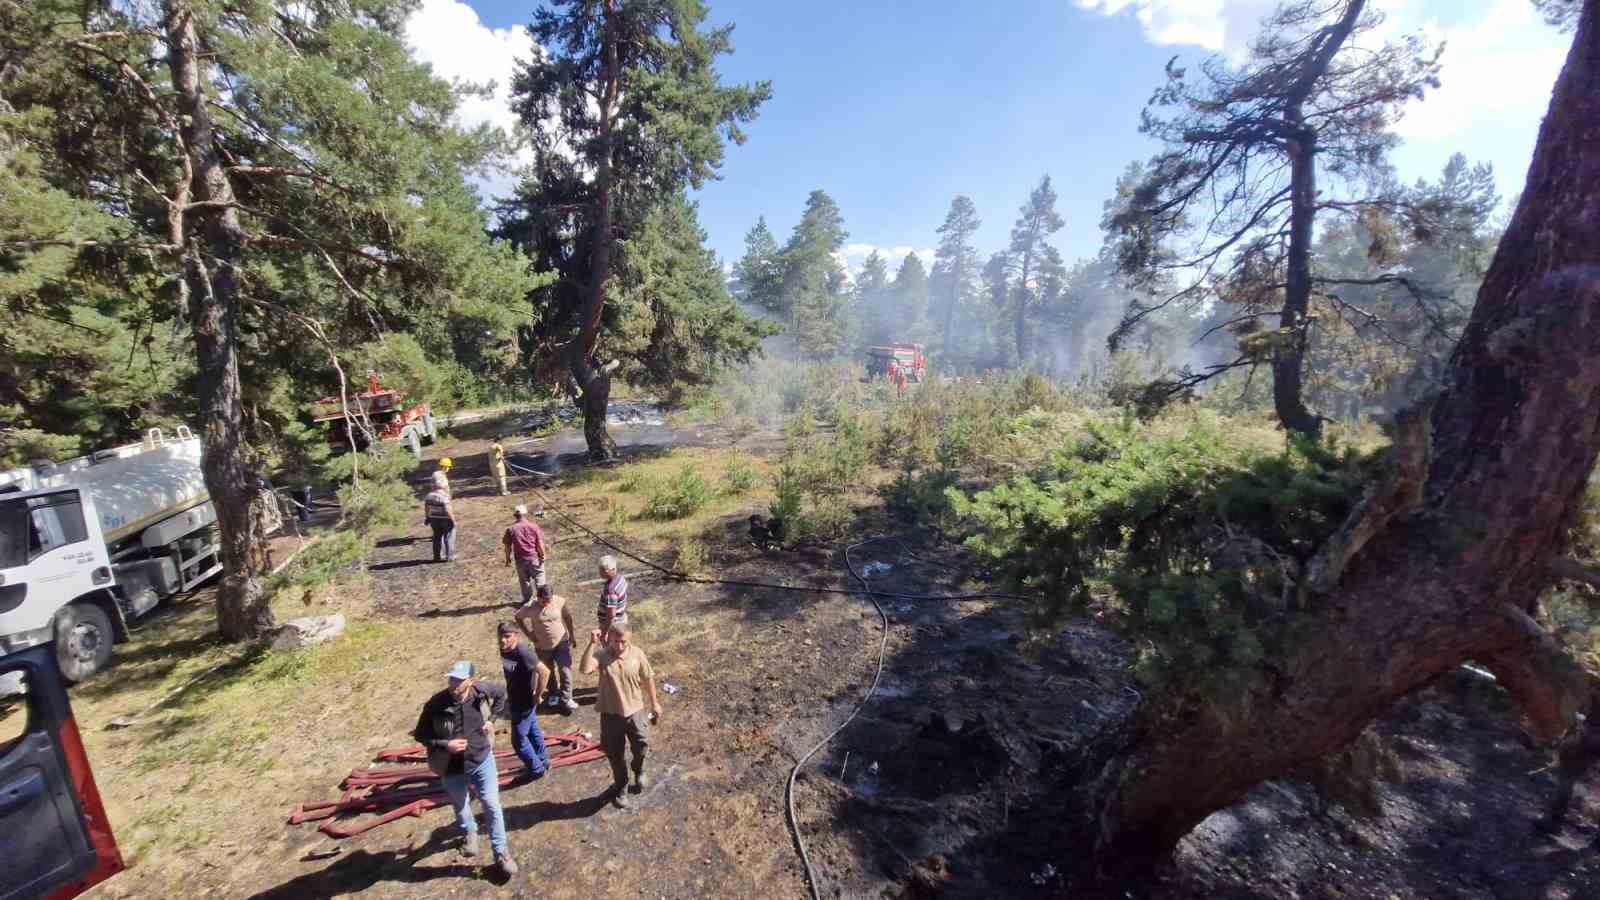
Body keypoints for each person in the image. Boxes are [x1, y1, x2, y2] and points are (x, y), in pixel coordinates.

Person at [413, 661, 518, 875]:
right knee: (461, 805)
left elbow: (501, 694)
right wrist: (445, 745)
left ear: (470, 681)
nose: (453, 684)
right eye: (451, 679)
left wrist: (493, 719)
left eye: (459, 680)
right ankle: (469, 832)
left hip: (481, 760)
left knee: (492, 804)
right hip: (451, 767)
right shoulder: (436, 704)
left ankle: (501, 851)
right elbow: (420, 735)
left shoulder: (481, 692)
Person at [579, 625, 661, 808]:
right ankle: (621, 786)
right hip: (610, 715)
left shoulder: (638, 654)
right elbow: (585, 669)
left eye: (624, 641)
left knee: (641, 746)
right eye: (616, 641)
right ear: (609, 638)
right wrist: (591, 644)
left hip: (636, 712)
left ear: (629, 638)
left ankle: (638, 769)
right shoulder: (602, 655)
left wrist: (655, 702)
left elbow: (648, 678)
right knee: (615, 755)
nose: (620, 645)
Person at [1535, 694, 1600, 840]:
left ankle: (1553, 821)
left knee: (1567, 776)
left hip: (1591, 735)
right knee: (1568, 775)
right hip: (1592, 735)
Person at [498, 622, 551, 780]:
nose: (502, 640)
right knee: (533, 730)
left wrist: (538, 694)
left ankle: (536, 769)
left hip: (523, 703)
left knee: (519, 741)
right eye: (500, 636)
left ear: (516, 636)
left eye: (507, 636)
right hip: (515, 699)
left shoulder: (523, 652)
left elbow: (544, 671)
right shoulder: (505, 649)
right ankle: (543, 760)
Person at [516, 584, 579, 713]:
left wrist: (572, 635)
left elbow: (567, 617)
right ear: (538, 597)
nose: (546, 603)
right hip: (542, 646)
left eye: (549, 600)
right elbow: (518, 617)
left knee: (565, 670)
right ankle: (553, 694)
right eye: (543, 601)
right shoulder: (530, 607)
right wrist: (529, 633)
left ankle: (566, 698)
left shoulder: (559, 601)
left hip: (561, 642)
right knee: (548, 672)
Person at [503, 504, 548, 605]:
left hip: (520, 560)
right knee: (540, 580)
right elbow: (539, 543)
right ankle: (544, 601)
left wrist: (507, 559)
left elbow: (507, 547)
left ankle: (528, 602)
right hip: (534, 558)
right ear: (525, 513)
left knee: (525, 582)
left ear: (514, 515)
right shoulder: (533, 526)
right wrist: (543, 555)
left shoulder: (511, 529)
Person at [423, 481, 456, 562]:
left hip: (434, 519)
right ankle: (450, 556)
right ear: (442, 487)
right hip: (445, 519)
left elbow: (426, 508)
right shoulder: (444, 496)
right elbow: (447, 510)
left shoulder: (429, 496)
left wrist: (427, 517)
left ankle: (437, 556)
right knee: (449, 537)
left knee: (437, 537)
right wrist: (453, 520)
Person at [596, 555, 628, 633]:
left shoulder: (611, 591)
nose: (600, 572)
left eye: (603, 570)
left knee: (611, 644)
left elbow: (611, 616)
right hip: (621, 618)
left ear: (613, 569)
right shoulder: (620, 578)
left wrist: (605, 632)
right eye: (600, 569)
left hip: (613, 625)